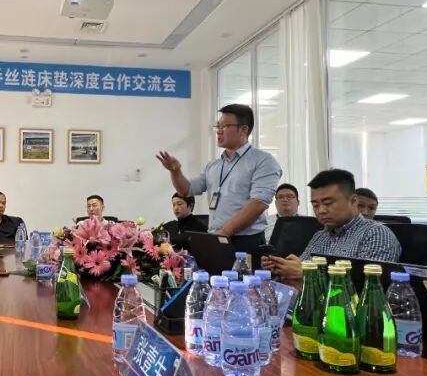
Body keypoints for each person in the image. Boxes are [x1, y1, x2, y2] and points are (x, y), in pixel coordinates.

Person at [156, 103, 282, 256]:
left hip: (245, 241)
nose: (219, 131)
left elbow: (258, 204)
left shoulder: (263, 161)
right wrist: (175, 171)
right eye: (218, 126)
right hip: (216, 238)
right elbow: (186, 190)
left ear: (243, 129)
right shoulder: (214, 165)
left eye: (225, 126)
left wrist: (222, 234)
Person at [265, 169, 401, 285]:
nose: (321, 210)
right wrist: (281, 268)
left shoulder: (375, 234)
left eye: (328, 203)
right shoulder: (320, 236)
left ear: (353, 201)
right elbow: (300, 268)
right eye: (315, 205)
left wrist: (307, 275)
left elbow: (370, 288)